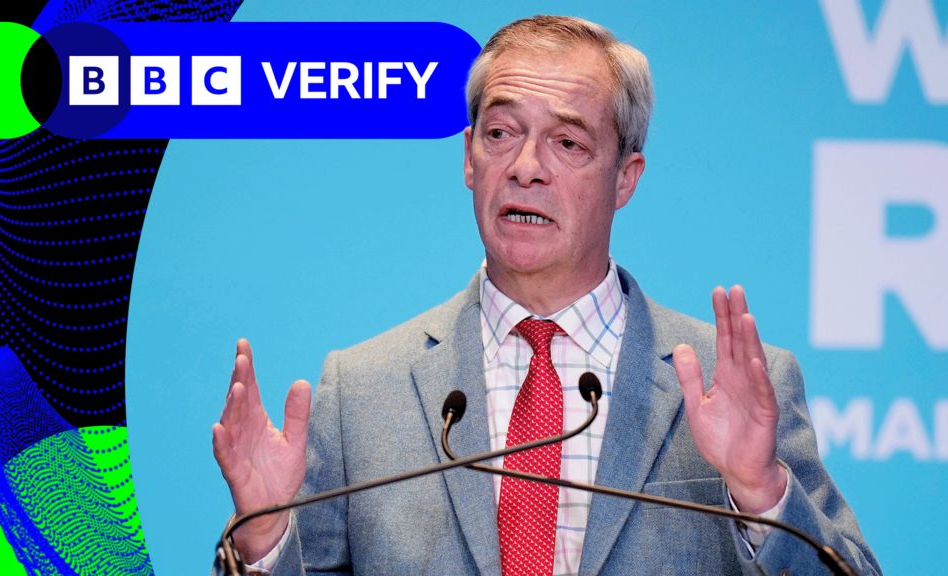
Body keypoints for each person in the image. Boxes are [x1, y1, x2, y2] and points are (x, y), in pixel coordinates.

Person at [212, 15, 881, 576]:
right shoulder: (361, 391)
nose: (526, 167)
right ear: (469, 157)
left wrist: (760, 493)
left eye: (567, 142)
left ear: (626, 178)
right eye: (501, 134)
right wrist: (264, 543)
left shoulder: (728, 382)